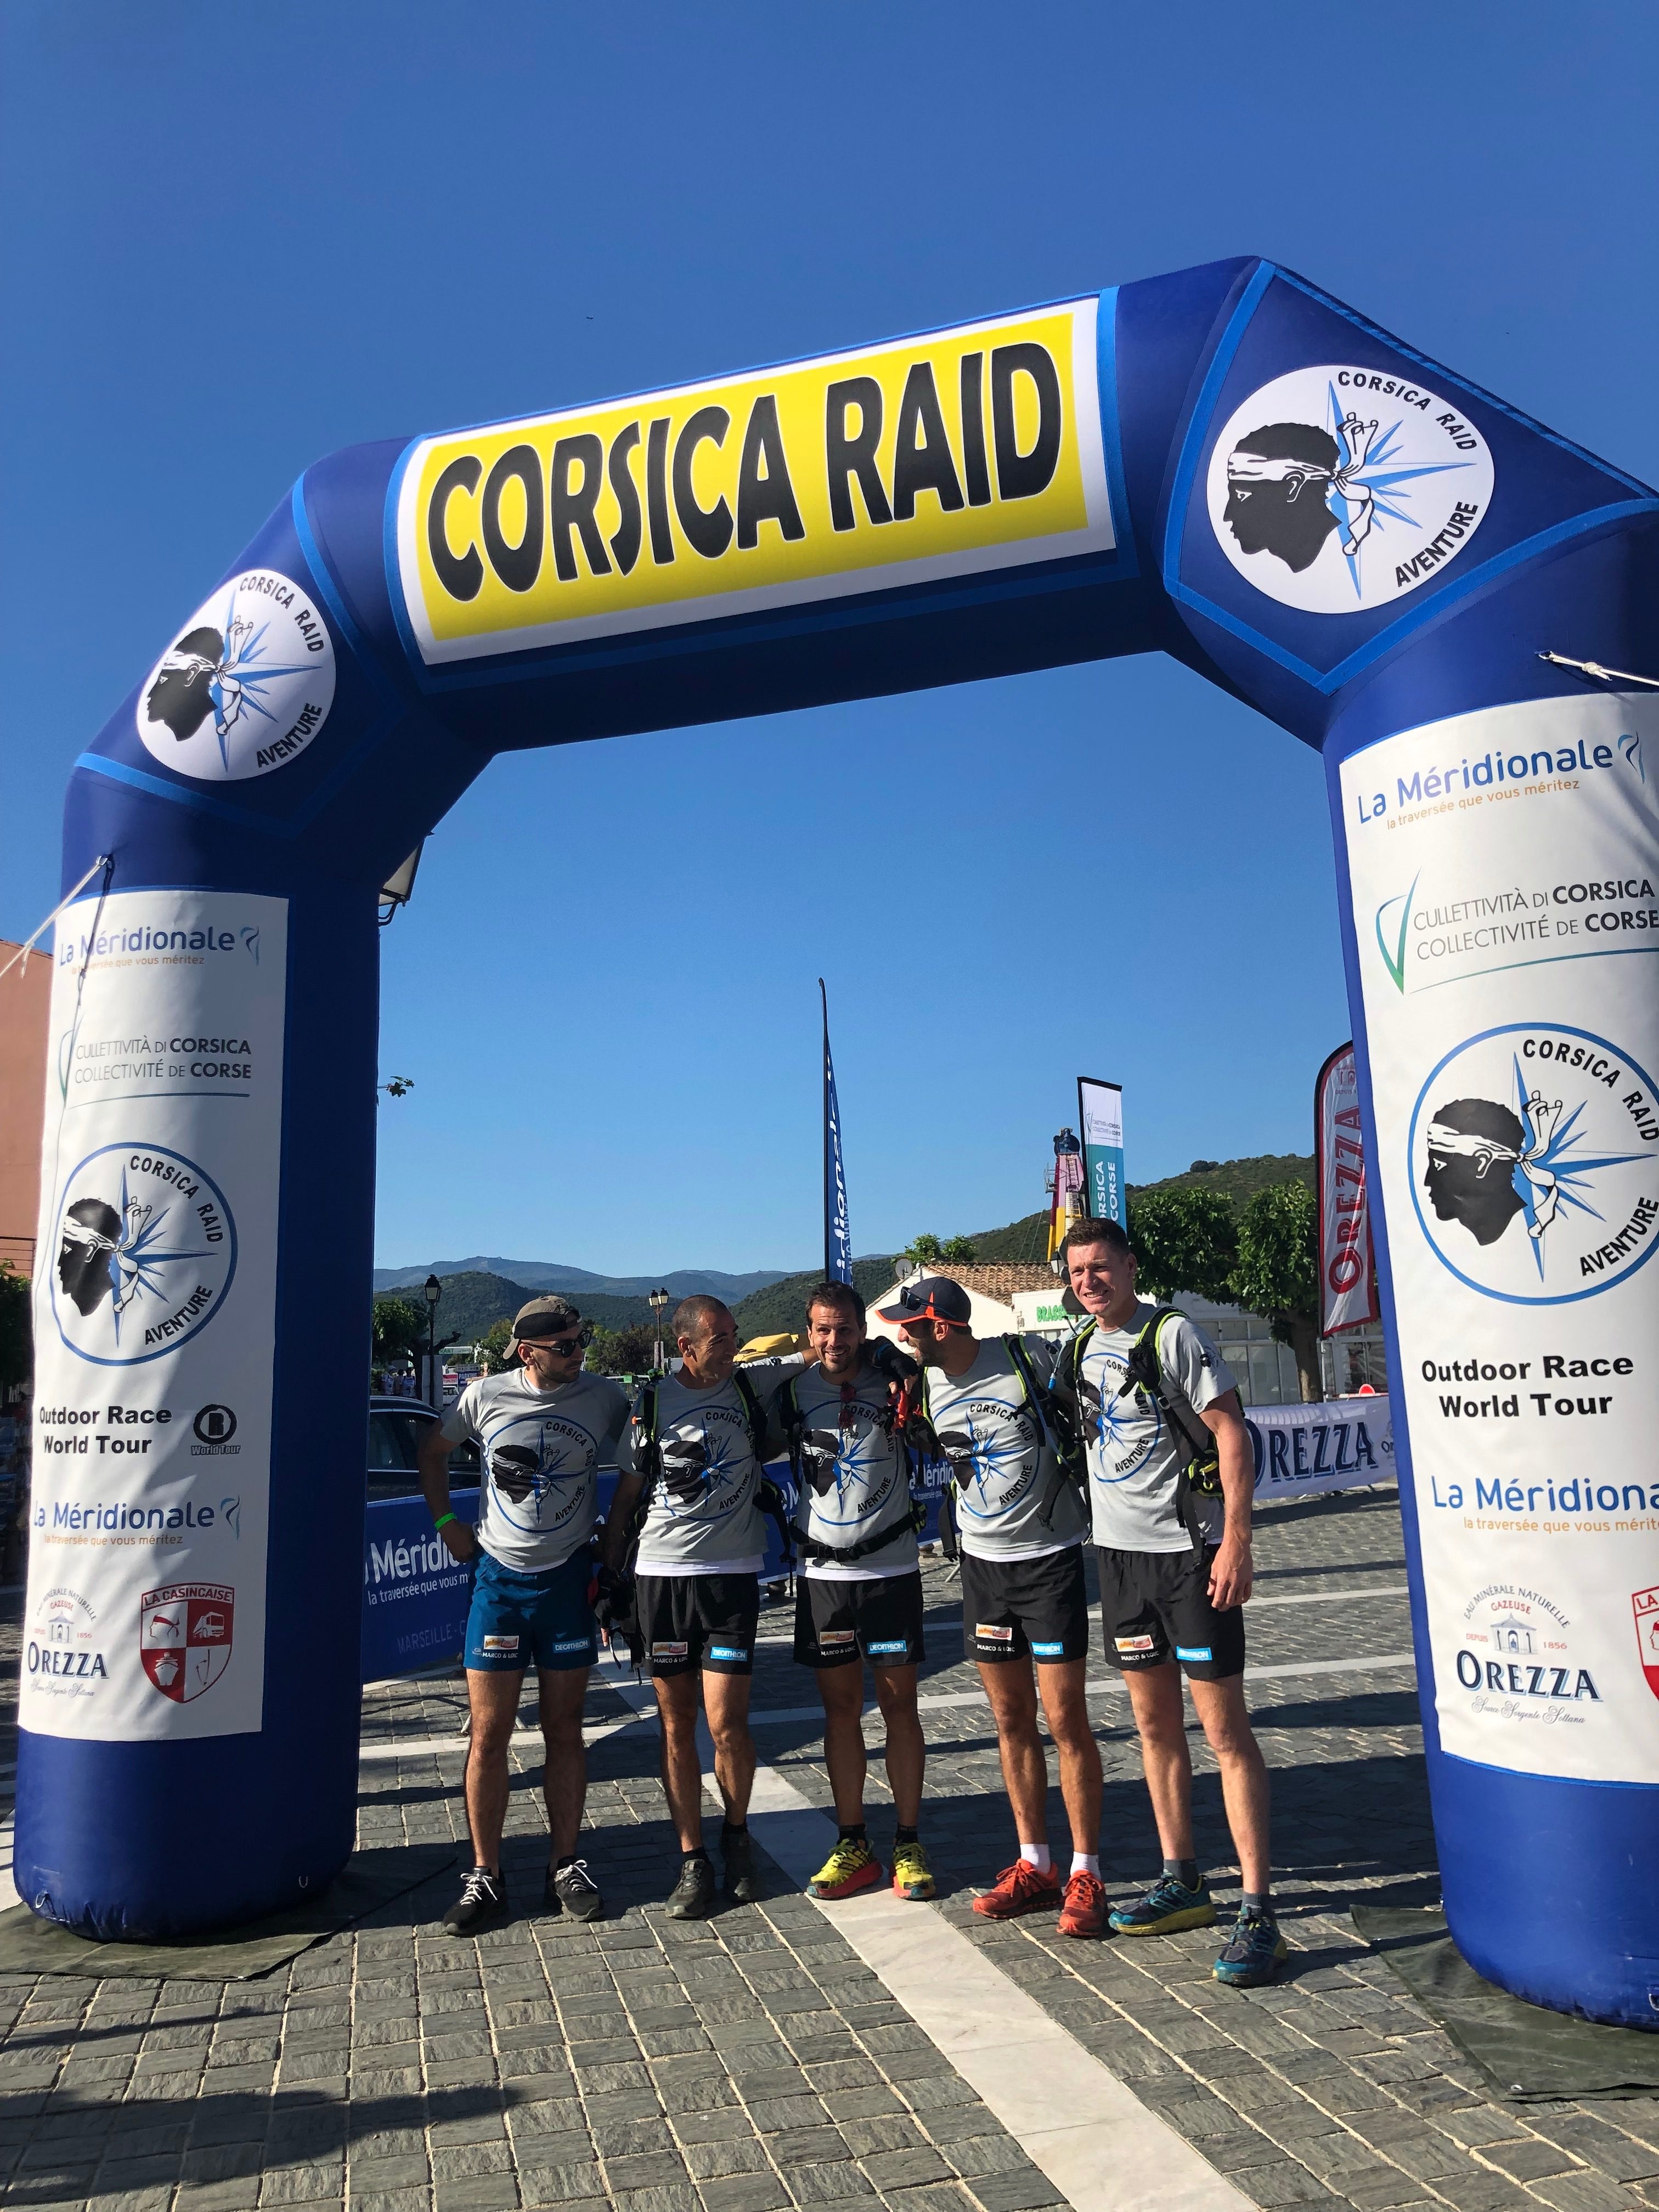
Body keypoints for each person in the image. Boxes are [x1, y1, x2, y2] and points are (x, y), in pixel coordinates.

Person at [1055, 1216, 1283, 1987]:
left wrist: (1237, 1541)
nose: (1089, 1281)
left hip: (1190, 1557)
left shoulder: (1173, 1333)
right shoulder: (1079, 1348)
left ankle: (1259, 1910)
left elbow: (1232, 1433)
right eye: (1077, 1272)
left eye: (1100, 1267)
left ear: (1130, 1266)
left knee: (1225, 1733)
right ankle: (1183, 1880)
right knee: (1154, 1729)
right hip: (1121, 1564)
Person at [879, 1275, 1105, 1938]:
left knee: (1066, 1721)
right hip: (982, 1570)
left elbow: (1093, 1403)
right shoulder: (922, 1384)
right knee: (1011, 1720)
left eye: (910, 1326)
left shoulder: (1024, 1357)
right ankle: (1035, 1862)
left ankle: (1086, 1870)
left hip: (1049, 1559)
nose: (902, 1336)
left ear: (940, 1326)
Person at [418, 1296, 628, 1936]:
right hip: (499, 1583)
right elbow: (431, 1451)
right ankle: (486, 1874)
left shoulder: (604, 1397)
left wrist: (617, 1540)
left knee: (565, 1730)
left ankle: (566, 1865)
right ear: (528, 1352)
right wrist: (447, 1522)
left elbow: (642, 1462)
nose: (579, 1354)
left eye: (582, 1341)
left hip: (566, 1581)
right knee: (490, 1733)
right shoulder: (485, 1396)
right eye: (565, 1347)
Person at [603, 1295, 792, 1919]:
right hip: (663, 1580)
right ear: (685, 1347)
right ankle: (692, 1858)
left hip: (731, 1579)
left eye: (735, 1335)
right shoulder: (654, 1402)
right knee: (676, 1724)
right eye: (721, 1339)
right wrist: (609, 1576)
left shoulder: (749, 1387)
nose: (733, 1347)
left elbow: (825, 1351)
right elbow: (627, 1496)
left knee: (727, 1723)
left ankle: (736, 1836)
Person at [771, 1282, 933, 1905]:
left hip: (890, 1570)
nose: (834, 1340)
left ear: (863, 1331)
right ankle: (853, 1842)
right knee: (840, 1713)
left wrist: (899, 1364)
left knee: (899, 1708)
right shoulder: (791, 1392)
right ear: (809, 1333)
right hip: (824, 1579)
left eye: (844, 1329)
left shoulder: (896, 1381)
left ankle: (909, 1842)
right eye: (823, 1329)